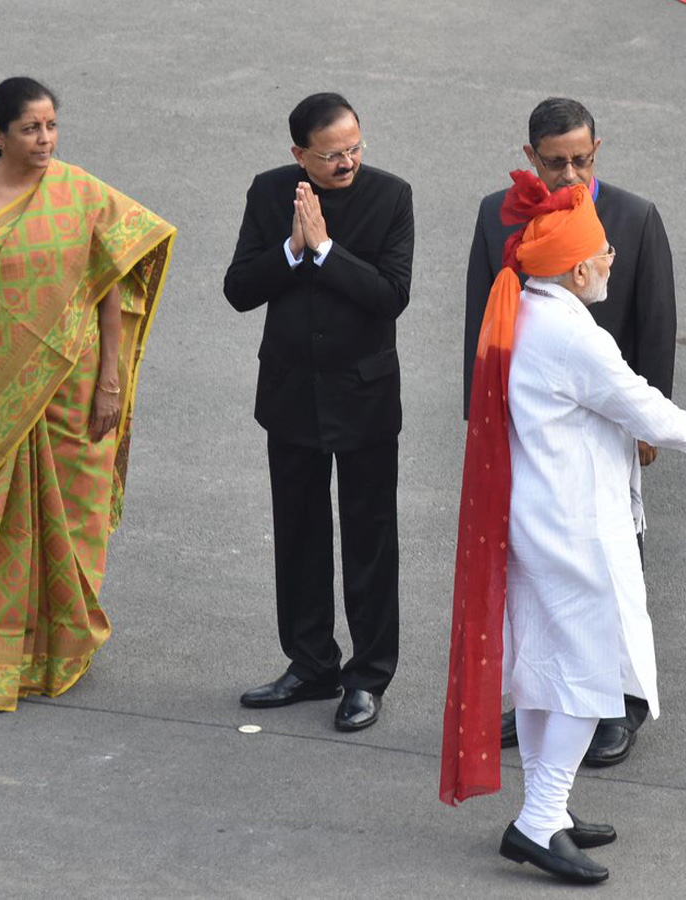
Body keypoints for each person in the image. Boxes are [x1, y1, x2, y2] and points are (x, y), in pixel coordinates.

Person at [441, 171, 686, 884]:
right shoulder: (574, 336)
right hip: (574, 528)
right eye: (602, 255)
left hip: (536, 519)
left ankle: (552, 807)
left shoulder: (525, 313)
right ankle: (538, 821)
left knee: (544, 668)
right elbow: (641, 407)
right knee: (587, 676)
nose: (610, 263)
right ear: (575, 269)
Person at [0, 77, 176, 712]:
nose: (45, 140)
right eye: (32, 129)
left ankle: (59, 650)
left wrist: (111, 383)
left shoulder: (80, 191)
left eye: (52, 126)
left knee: (72, 517)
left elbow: (110, 287)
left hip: (75, 387)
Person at [465, 98, 677, 766]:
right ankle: (547, 696)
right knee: (538, 563)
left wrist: (654, 421)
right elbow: (482, 317)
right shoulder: (496, 213)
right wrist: (482, 418)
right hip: (535, 424)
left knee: (613, 564)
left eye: (581, 160)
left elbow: (655, 320)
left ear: (597, 150)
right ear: (530, 157)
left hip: (610, 419)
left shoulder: (635, 217)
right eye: (554, 162)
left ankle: (620, 706)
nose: (568, 174)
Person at [224, 93, 414, 732]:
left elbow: (391, 295)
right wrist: (291, 249)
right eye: (332, 154)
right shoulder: (270, 191)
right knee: (299, 530)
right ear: (299, 154)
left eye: (355, 148)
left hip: (363, 395)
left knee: (369, 536)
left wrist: (327, 250)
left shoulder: (391, 197)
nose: (347, 162)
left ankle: (367, 676)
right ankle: (310, 664)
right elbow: (239, 289)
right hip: (291, 393)